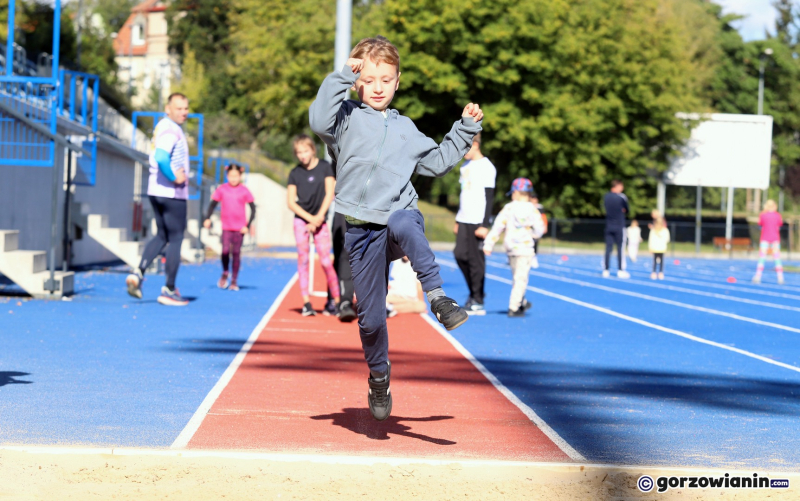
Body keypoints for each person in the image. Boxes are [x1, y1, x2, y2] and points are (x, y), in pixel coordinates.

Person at [309, 35, 482, 421]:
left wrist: (464, 129)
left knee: (405, 219)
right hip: (360, 231)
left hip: (396, 217)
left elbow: (436, 162)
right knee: (370, 319)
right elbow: (317, 119)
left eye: (385, 79)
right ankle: (379, 375)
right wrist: (341, 78)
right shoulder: (346, 118)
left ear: (397, 81)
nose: (377, 87)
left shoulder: (406, 130)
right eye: (369, 79)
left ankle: (438, 297)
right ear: (358, 81)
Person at [126, 93, 192, 306]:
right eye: (179, 108)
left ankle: (138, 273)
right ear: (168, 108)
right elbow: (162, 156)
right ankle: (169, 289)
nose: (184, 112)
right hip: (171, 193)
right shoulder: (170, 129)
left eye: (186, 108)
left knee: (162, 236)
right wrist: (174, 178)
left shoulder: (164, 126)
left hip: (157, 191)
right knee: (176, 238)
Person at [287, 135, 341, 317]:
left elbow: (330, 193)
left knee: (326, 261)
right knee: (303, 259)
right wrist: (309, 219)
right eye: (299, 152)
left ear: (312, 150)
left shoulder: (325, 167)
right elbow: (291, 202)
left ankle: (337, 300)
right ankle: (306, 303)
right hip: (301, 221)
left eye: (305, 151)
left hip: (320, 221)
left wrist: (318, 218)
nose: (302, 155)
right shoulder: (294, 173)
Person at [483, 178, 545, 317]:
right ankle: (514, 307)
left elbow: (498, 226)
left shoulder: (508, 208)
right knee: (521, 279)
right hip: (525, 248)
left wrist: (489, 244)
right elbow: (540, 230)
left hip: (511, 248)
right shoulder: (533, 210)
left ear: (516, 193)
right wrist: (533, 235)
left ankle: (521, 301)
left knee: (517, 277)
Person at [453, 133, 496, 315]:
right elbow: (464, 194)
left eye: (466, 147)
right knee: (459, 255)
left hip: (478, 221)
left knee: (476, 261)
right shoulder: (465, 166)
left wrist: (485, 224)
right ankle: (474, 293)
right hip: (464, 219)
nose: (463, 152)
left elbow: (489, 197)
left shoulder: (487, 167)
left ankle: (477, 299)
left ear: (476, 145)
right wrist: (457, 219)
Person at [203, 164, 256, 291]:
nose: (233, 179)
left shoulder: (244, 190)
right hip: (226, 227)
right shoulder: (222, 189)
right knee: (225, 251)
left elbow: (253, 209)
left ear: (240, 176)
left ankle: (234, 280)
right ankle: (226, 272)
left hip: (240, 228)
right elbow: (212, 204)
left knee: (236, 253)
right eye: (231, 176)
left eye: (236, 176)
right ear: (227, 176)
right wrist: (207, 218)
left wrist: (247, 226)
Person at [753, 199, 785, 285]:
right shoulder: (778, 215)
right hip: (775, 239)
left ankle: (758, 276)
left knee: (762, 258)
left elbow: (760, 224)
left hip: (765, 238)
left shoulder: (763, 215)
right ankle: (780, 277)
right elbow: (779, 225)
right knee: (777, 258)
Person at [603, 180, 630, 278]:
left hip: (609, 225)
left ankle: (606, 270)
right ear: (617, 186)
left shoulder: (606, 197)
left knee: (608, 249)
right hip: (619, 226)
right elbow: (626, 210)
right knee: (620, 249)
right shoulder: (621, 197)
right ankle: (620, 270)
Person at [648, 215, 670, 280]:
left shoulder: (665, 230)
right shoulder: (653, 230)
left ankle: (661, 272)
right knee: (654, 261)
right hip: (655, 248)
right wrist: (650, 248)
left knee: (661, 261)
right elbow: (651, 239)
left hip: (662, 248)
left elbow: (667, 239)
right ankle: (654, 272)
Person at [530, 190, 547, 269]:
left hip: (536, 229)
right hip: (528, 229)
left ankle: (534, 258)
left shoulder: (539, 208)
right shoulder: (528, 206)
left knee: (535, 243)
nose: (534, 200)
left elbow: (543, 217)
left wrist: (545, 226)